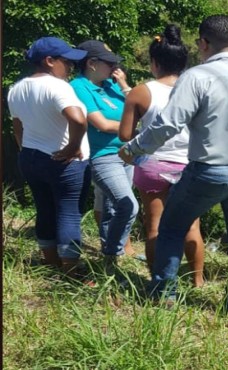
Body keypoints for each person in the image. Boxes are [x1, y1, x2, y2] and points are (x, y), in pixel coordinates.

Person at [119, 15, 228, 311]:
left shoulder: (196, 77)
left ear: (203, 43)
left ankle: (164, 294)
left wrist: (133, 149)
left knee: (171, 228)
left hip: (208, 170)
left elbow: (167, 126)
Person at [118, 25, 204, 287]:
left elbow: (125, 135)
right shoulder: (198, 88)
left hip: (152, 164)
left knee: (154, 226)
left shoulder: (142, 91)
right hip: (190, 165)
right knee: (191, 227)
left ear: (155, 62)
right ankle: (198, 281)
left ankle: (159, 282)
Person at [7, 37, 90, 277]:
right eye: (66, 62)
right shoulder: (58, 86)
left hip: (31, 158)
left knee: (44, 208)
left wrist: (25, 150)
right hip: (62, 160)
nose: (71, 67)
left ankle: (51, 263)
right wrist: (74, 146)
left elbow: (17, 126)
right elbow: (77, 119)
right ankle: (72, 273)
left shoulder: (17, 88)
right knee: (68, 212)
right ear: (50, 61)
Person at [70, 40, 138, 273]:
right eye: (110, 63)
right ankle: (112, 253)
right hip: (103, 155)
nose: (115, 67)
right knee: (128, 205)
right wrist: (135, 129)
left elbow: (137, 109)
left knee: (112, 208)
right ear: (91, 63)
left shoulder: (111, 85)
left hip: (126, 154)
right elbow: (100, 123)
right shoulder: (79, 87)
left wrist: (124, 85)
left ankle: (110, 255)